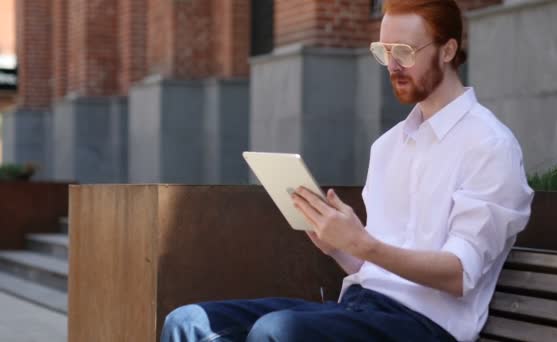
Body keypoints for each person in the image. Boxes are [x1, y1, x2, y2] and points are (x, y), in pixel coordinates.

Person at [160, 0, 534, 341]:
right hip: (359, 307)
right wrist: (338, 247)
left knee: (276, 332)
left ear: (448, 50)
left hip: (427, 325)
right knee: (188, 321)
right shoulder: (388, 147)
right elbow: (374, 263)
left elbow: (459, 273)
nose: (393, 65)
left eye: (404, 51)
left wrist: (362, 243)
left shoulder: (489, 146)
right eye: (384, 51)